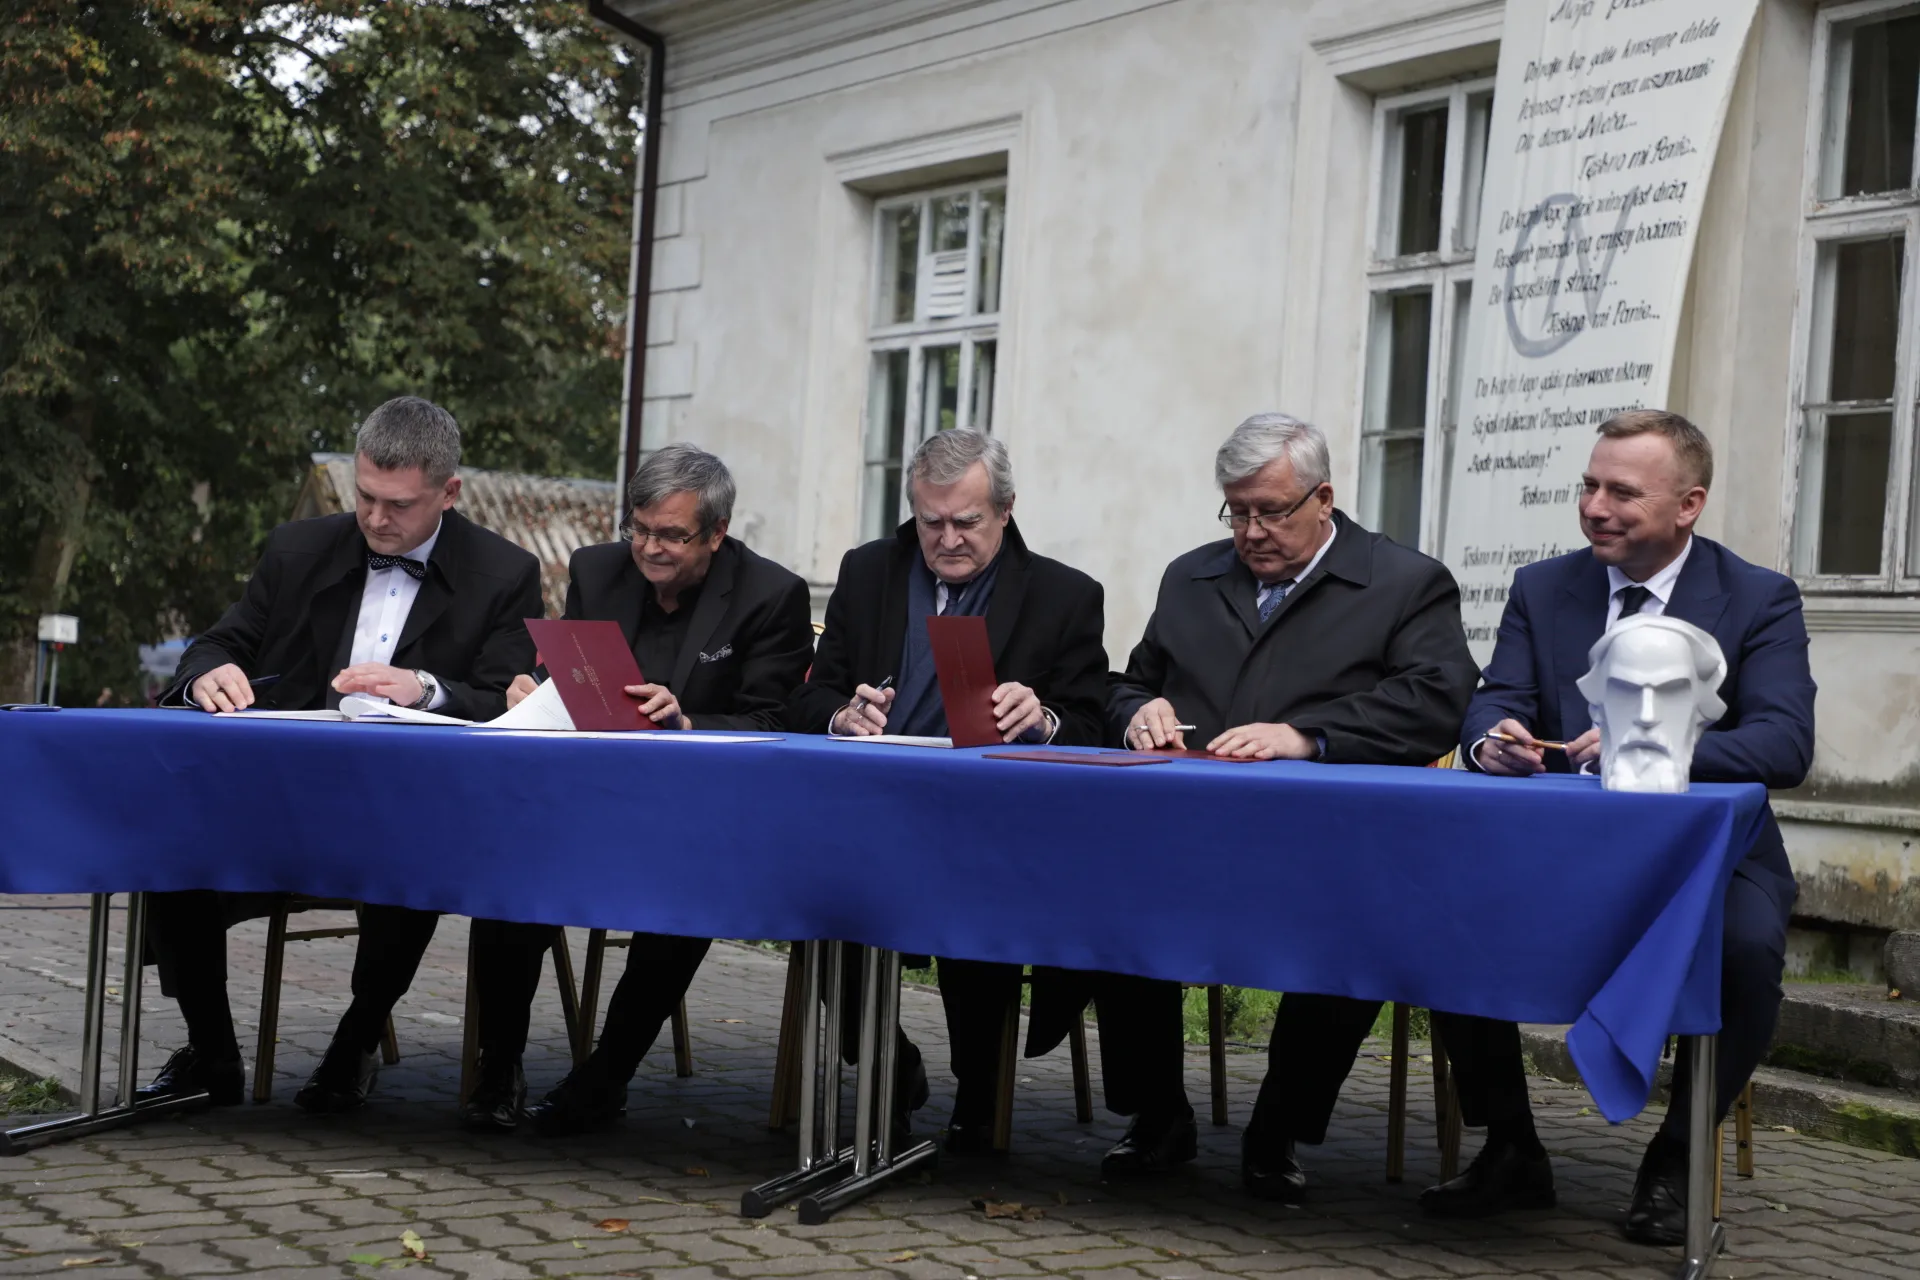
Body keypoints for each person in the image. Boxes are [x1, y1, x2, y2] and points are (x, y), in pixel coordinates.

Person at [1422, 410, 1814, 1245]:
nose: (1595, 507)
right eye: (1589, 486)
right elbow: (1495, 700)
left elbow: (1784, 743)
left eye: (1622, 492)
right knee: (1444, 923)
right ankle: (1512, 1148)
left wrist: (1664, 743)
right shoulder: (1543, 586)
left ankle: (1675, 1158)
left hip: (1709, 858)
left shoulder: (1758, 598)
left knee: (1746, 953)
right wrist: (1490, 740)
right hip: (1558, 850)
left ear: (1688, 505)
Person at [1099, 413, 1477, 1196]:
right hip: (1191, 836)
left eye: (1271, 510)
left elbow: (1438, 701)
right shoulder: (1190, 578)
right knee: (1112, 901)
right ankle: (1158, 1118)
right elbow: (1130, 681)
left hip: (1329, 844)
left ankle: (1278, 1129)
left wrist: (1308, 735)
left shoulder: (1404, 582)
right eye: (1236, 511)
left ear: (1325, 498)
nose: (1251, 531)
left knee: (1358, 925)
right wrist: (1136, 711)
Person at [140, 396, 543, 1111]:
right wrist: (206, 671)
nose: (378, 519)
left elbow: (510, 700)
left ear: (449, 494)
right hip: (285, 802)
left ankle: (353, 1043)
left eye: (399, 505)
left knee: (407, 865)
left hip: (415, 812)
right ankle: (213, 1052)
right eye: (365, 497)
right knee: (174, 853)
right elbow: (220, 639)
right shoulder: (298, 549)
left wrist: (424, 687)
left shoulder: (502, 572)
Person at [463, 443, 815, 1135]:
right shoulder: (597, 570)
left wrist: (687, 721)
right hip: (588, 804)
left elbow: (776, 722)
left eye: (671, 536)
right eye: (640, 528)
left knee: (685, 897)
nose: (649, 548)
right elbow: (563, 671)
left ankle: (605, 1076)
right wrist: (533, 687)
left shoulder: (771, 596)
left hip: (699, 818)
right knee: (509, 876)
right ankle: (497, 1067)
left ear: (716, 533)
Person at [788, 429, 1107, 1150]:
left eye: (967, 522)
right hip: (875, 812)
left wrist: (1045, 720)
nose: (948, 539)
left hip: (997, 824)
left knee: (977, 908)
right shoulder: (869, 573)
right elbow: (805, 700)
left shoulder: (1065, 596)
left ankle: (979, 1091)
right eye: (932, 522)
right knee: (817, 897)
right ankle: (888, 1068)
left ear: (1006, 510)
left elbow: (1093, 722)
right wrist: (842, 714)